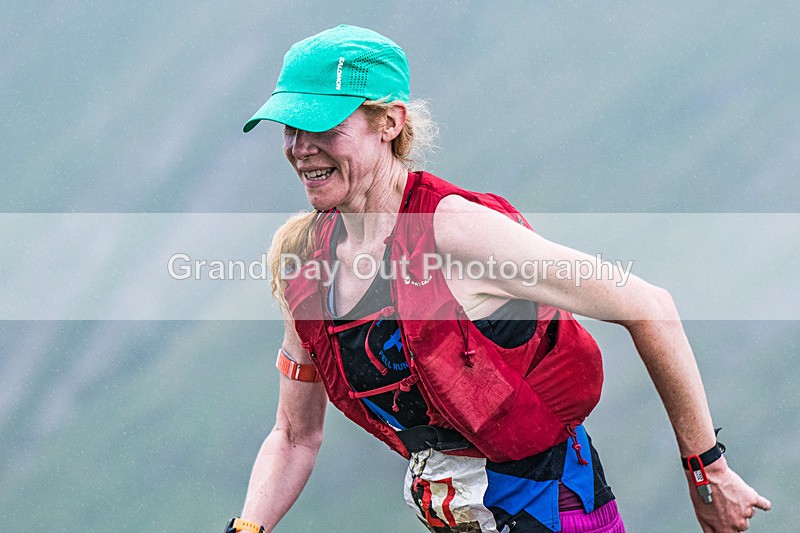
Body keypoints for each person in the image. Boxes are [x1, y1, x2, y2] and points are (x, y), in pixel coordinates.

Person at [224, 25, 771, 533]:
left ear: (389, 123)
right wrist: (247, 529)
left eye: (323, 126)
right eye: (291, 128)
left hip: (556, 511)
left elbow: (648, 305)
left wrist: (708, 472)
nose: (301, 148)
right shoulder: (308, 265)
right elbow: (294, 436)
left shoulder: (456, 231)